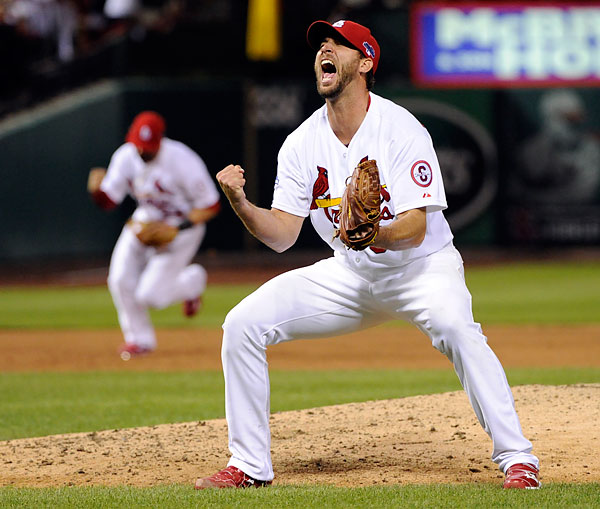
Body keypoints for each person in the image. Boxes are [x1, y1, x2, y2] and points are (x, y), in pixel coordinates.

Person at [195, 20, 540, 489]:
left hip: (422, 270)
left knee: (459, 330)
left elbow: (417, 227)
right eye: (320, 43)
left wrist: (374, 230)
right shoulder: (301, 143)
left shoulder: (400, 128)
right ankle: (250, 465)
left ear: (365, 61)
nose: (324, 50)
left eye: (337, 44)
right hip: (351, 274)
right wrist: (241, 203)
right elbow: (281, 236)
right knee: (242, 324)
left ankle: (518, 458)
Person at [87, 111, 220, 360]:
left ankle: (192, 281)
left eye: (148, 147)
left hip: (183, 227)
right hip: (146, 218)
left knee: (151, 296)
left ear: (161, 140)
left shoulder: (182, 160)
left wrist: (176, 229)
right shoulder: (125, 156)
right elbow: (108, 202)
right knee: (118, 278)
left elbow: (211, 206)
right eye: (138, 145)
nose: (142, 151)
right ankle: (139, 340)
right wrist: (96, 192)